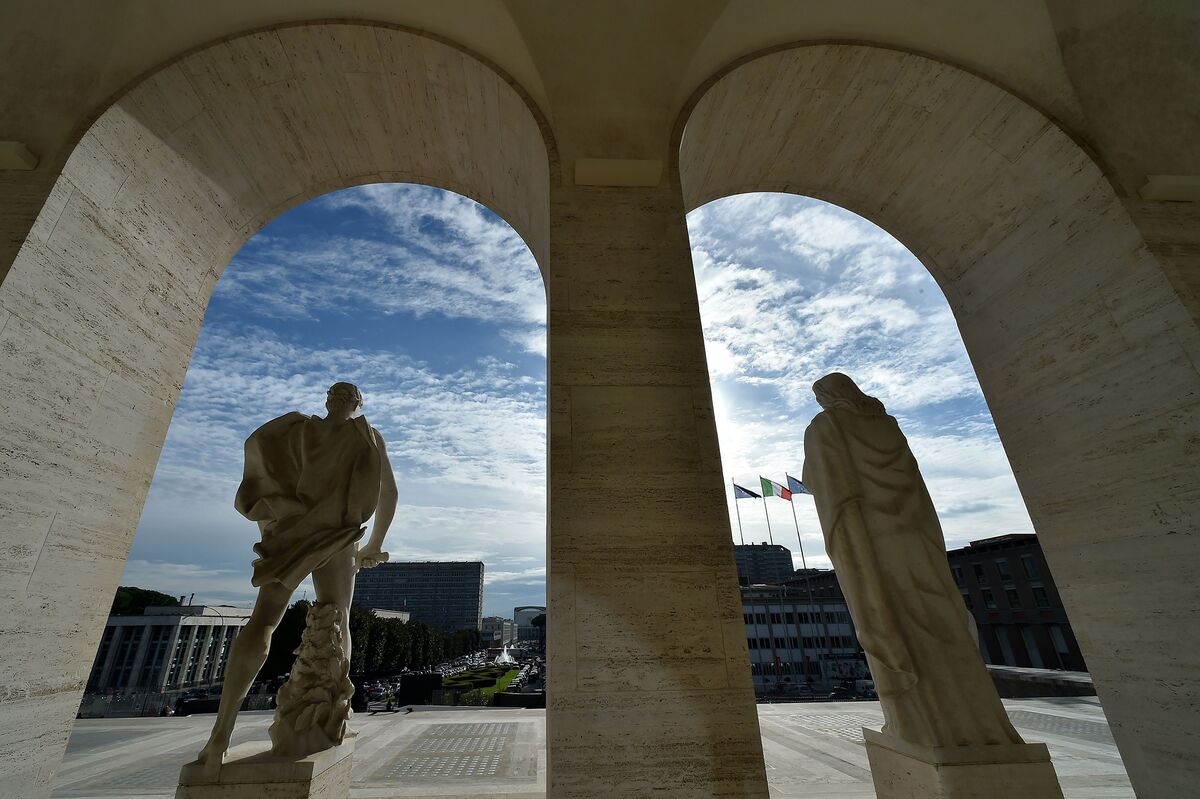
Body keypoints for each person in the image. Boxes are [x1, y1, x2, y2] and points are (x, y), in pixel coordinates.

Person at [802, 372, 1021, 748]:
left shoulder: (827, 425)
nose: (821, 403)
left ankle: (919, 723)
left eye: (820, 397)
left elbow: (826, 484)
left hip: (870, 540)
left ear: (827, 397)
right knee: (941, 618)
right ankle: (978, 724)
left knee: (888, 617)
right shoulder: (888, 426)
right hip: (916, 537)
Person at [196, 382, 396, 765]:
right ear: (358, 403)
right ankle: (337, 713)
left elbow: (262, 463)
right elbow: (389, 495)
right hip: (336, 539)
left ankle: (220, 736)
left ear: (328, 401)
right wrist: (374, 545)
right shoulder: (367, 435)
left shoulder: (297, 429)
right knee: (339, 621)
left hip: (290, 535)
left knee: (262, 624)